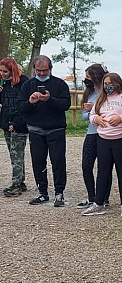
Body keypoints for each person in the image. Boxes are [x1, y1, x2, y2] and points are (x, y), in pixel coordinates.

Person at [17, 55, 71, 206]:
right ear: (34, 69)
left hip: (56, 129)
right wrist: (30, 102)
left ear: (50, 69)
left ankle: (59, 193)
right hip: (35, 129)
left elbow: (66, 104)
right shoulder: (28, 85)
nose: (41, 73)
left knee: (58, 161)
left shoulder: (59, 84)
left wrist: (50, 100)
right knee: (38, 162)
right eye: (38, 70)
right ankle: (42, 192)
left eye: (44, 70)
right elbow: (20, 107)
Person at [82, 73, 122, 217]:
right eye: (105, 83)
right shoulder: (101, 98)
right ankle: (98, 203)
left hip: (121, 138)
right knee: (103, 171)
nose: (107, 86)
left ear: (118, 82)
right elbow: (91, 114)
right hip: (103, 138)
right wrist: (96, 118)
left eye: (110, 83)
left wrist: (121, 118)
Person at [78, 63, 108, 208]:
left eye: (88, 77)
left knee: (104, 167)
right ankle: (92, 196)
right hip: (91, 133)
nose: (86, 80)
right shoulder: (89, 93)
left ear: (96, 77)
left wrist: (94, 110)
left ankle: (103, 198)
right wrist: (90, 112)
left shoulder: (107, 93)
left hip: (105, 133)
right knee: (86, 165)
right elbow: (84, 116)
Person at [0, 58, 29, 197]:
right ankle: (20, 181)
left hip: (19, 124)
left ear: (13, 70)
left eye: (5, 71)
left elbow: (24, 106)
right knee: (13, 155)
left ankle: (16, 184)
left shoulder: (23, 82)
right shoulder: (4, 84)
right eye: (0, 71)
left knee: (17, 154)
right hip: (6, 123)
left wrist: (15, 123)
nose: (2, 74)